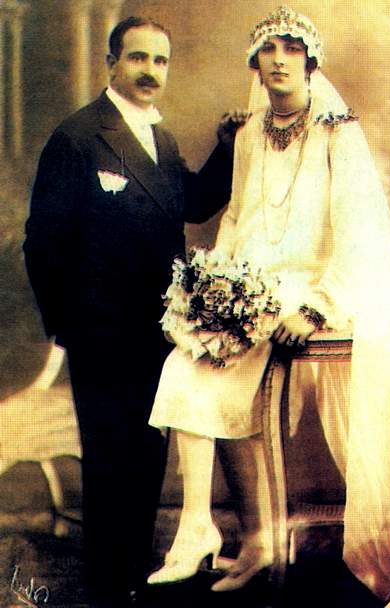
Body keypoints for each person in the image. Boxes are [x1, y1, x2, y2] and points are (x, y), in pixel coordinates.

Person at [146, 6, 390, 606]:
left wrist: (319, 305)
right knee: (188, 361)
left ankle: (242, 536)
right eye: (268, 50)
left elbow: (356, 230)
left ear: (310, 63)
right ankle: (204, 526)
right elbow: (237, 216)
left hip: (308, 287)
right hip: (252, 285)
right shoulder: (249, 134)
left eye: (291, 49)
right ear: (255, 64)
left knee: (209, 369)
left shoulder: (338, 131)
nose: (279, 60)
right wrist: (214, 283)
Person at [23, 16, 241, 608]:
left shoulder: (160, 140)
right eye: (138, 58)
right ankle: (107, 587)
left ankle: (133, 582)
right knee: (109, 460)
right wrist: (69, 327)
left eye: (160, 61)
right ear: (112, 64)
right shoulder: (79, 137)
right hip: (100, 334)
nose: (150, 71)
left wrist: (227, 148)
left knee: (146, 460)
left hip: (157, 332)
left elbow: (193, 203)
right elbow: (42, 243)